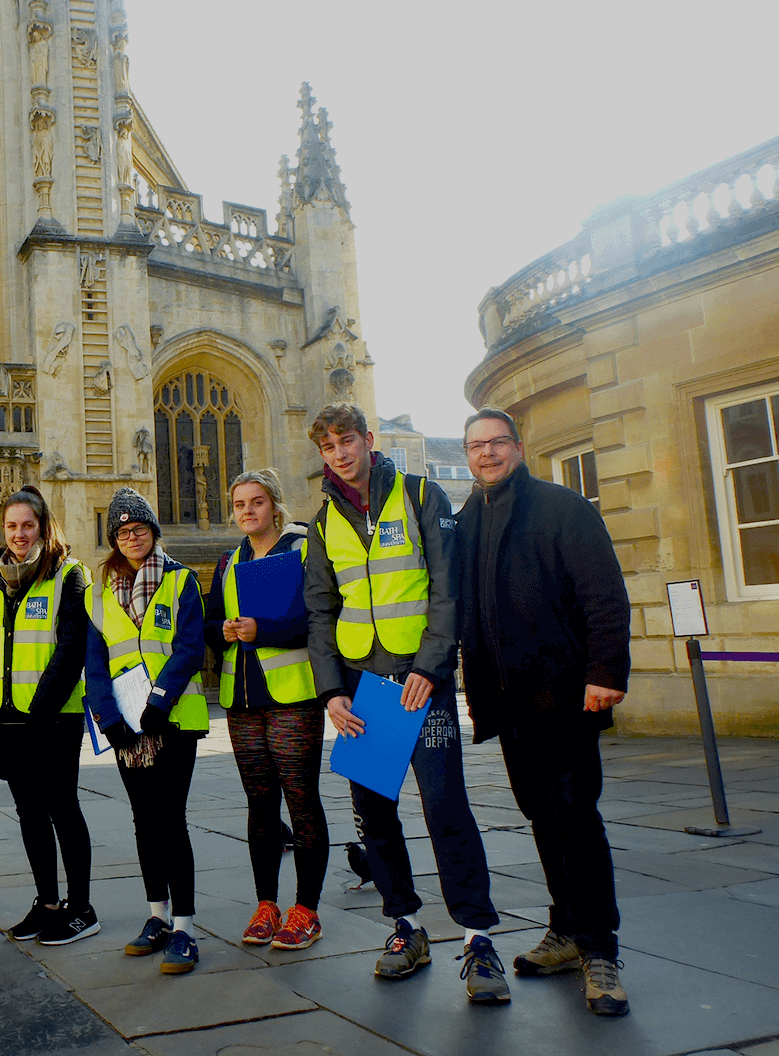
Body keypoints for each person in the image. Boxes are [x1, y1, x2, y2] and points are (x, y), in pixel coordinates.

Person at [303, 403, 509, 1004]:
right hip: (364, 689)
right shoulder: (321, 523)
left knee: (446, 808)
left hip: (422, 682)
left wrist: (431, 664)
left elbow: (449, 588)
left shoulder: (421, 496)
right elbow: (321, 611)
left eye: (347, 441)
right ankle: (405, 927)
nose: (339, 454)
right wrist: (332, 692)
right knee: (374, 815)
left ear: (369, 440)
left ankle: (477, 938)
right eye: (328, 447)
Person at [456, 408, 632, 1017]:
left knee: (576, 817)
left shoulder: (563, 508)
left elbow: (605, 596)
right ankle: (564, 929)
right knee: (540, 816)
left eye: (496, 442)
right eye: (476, 445)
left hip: (563, 696)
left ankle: (600, 950)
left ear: (518, 446)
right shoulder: (465, 521)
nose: (486, 454)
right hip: (508, 702)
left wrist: (605, 674)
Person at [204, 469, 329, 951]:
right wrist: (227, 631)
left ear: (275, 505)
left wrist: (264, 630)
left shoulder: (301, 549)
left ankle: (307, 910)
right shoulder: (228, 561)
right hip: (243, 699)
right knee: (259, 805)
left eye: (257, 502)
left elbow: (316, 617)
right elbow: (213, 623)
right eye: (239, 504)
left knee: (301, 801)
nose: (248, 511)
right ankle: (266, 904)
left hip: (293, 695)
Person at [85, 487, 208, 975]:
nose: (132, 537)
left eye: (139, 529)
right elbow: (95, 663)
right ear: (114, 540)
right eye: (122, 531)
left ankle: (186, 927)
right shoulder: (101, 591)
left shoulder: (180, 582)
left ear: (153, 532)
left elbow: (189, 647)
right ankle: (156, 915)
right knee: (142, 820)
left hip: (172, 720)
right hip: (127, 727)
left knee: (170, 820)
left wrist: (159, 701)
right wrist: (108, 719)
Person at [0, 486, 96, 946]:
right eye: (11, 526)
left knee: (62, 807)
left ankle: (81, 908)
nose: (19, 534)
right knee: (29, 812)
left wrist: (37, 712)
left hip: (54, 718)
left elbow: (70, 649)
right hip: (6, 720)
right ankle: (47, 903)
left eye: (27, 525)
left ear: (43, 526)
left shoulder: (68, 573)